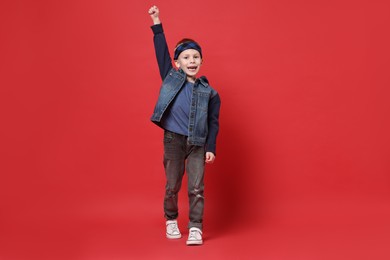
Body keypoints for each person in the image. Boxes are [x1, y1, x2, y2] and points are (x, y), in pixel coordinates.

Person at [148, 5, 221, 246]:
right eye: (186, 57)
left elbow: (213, 122)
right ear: (177, 63)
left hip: (198, 143)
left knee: (197, 187)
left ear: (201, 61)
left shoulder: (210, 92)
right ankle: (171, 219)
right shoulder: (171, 78)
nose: (192, 61)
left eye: (196, 56)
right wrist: (157, 22)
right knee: (172, 185)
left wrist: (211, 147)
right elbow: (161, 51)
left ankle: (196, 227)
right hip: (174, 140)